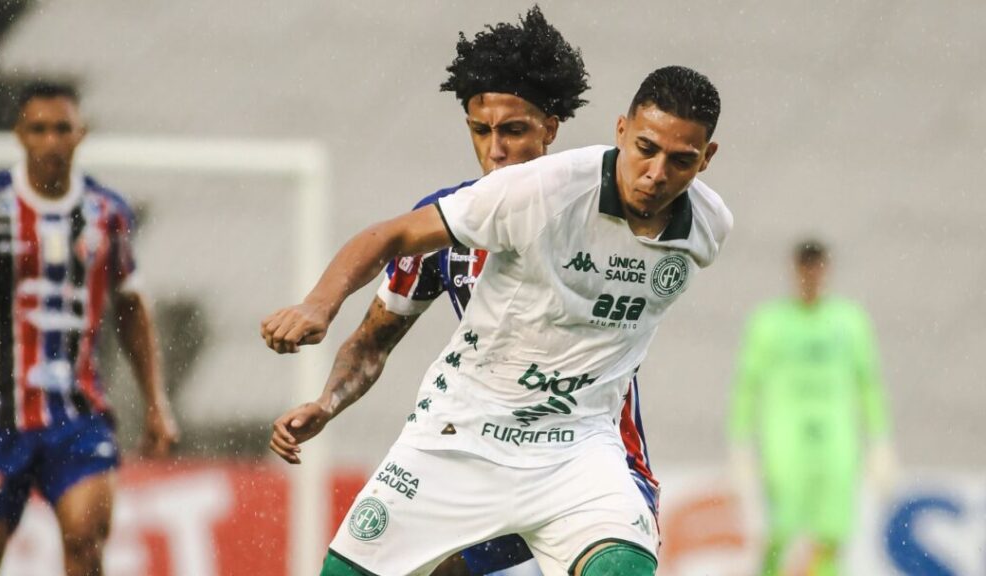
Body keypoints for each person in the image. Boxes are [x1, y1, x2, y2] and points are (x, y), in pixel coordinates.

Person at [264, 64, 730, 576]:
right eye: (481, 130)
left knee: (619, 568)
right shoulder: (527, 195)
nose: (657, 173)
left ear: (706, 159)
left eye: (680, 160)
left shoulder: (707, 227)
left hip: (578, 448)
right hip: (461, 437)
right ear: (621, 132)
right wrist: (319, 315)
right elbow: (383, 281)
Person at [0, 82, 179, 576]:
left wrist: (155, 402)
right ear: (20, 134)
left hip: (78, 419)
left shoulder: (107, 213)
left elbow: (131, 309)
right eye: (38, 129)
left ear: (81, 134)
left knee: (84, 543)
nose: (51, 141)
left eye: (62, 128)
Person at [728, 240, 893, 576]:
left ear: (826, 270)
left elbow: (868, 383)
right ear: (795, 270)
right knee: (779, 529)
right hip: (785, 439)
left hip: (836, 438)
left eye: (817, 268)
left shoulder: (849, 320)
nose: (811, 276)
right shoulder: (769, 321)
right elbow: (747, 384)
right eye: (806, 268)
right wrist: (740, 440)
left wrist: (880, 439)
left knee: (833, 531)